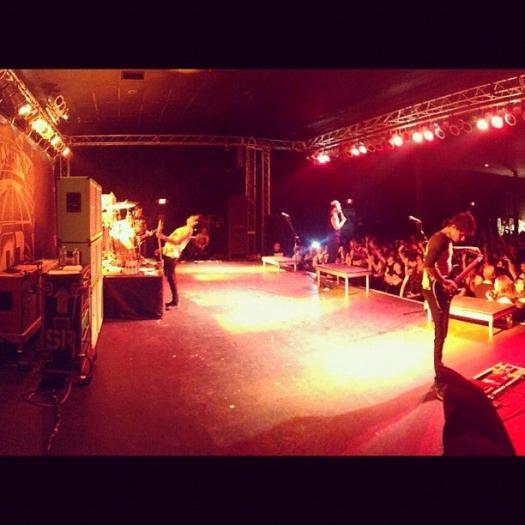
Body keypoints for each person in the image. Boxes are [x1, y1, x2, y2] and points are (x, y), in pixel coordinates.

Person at [421, 211, 477, 401]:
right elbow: (428, 266)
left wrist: (467, 249)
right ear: (453, 227)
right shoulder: (439, 239)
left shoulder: (447, 239)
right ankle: (439, 380)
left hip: (441, 288)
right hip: (434, 289)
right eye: (462, 234)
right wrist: (444, 281)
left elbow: (448, 253)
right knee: (440, 333)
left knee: (443, 332)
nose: (462, 238)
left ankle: (440, 368)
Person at [157, 214, 200, 308]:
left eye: (192, 218)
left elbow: (178, 242)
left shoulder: (189, 230)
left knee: (171, 278)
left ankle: (175, 302)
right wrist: (162, 249)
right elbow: (172, 241)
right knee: (169, 277)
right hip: (169, 253)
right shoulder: (183, 228)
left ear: (195, 222)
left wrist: (162, 236)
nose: (189, 217)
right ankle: (174, 301)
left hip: (172, 255)